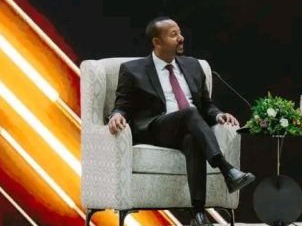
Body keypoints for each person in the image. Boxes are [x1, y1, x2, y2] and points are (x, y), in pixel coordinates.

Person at [108, 16, 255, 226]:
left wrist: (218, 115)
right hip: (155, 129)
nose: (181, 38)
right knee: (190, 113)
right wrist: (116, 115)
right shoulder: (133, 69)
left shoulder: (193, 66)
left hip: (189, 127)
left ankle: (198, 215)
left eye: (180, 32)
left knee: (192, 139)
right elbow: (122, 104)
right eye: (173, 34)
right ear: (157, 42)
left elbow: (206, 105)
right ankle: (226, 168)